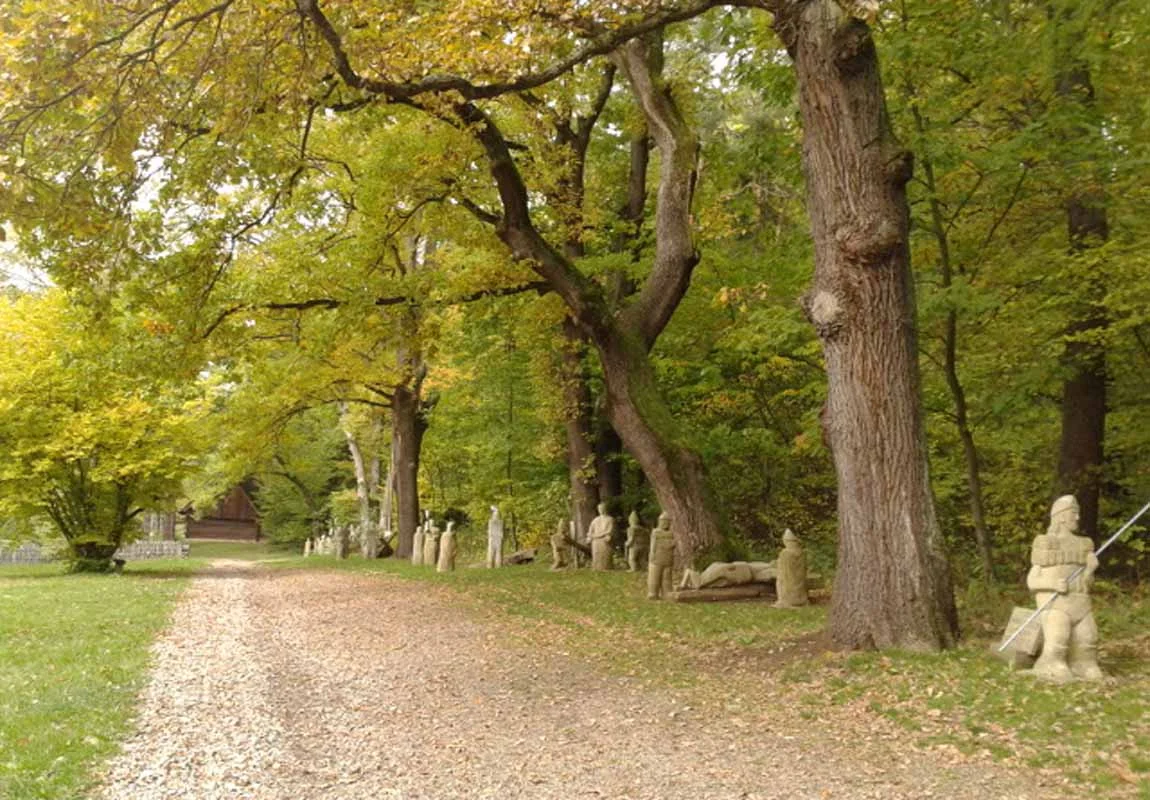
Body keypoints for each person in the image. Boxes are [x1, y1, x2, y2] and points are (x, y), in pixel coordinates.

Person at [1027, 495, 1102, 682]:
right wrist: (1052, 584)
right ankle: (1051, 663)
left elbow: (1087, 583)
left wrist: (1090, 569)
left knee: (1089, 638)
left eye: (1078, 514)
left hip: (1080, 602)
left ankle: (1083, 664)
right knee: (1058, 638)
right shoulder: (1046, 543)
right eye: (1073, 513)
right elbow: (1032, 581)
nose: (1077, 518)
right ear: (1060, 516)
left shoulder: (1084, 544)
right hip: (1056, 605)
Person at [647, 512, 675, 599]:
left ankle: (666, 592)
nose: (666, 524)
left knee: (667, 577)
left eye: (667, 522)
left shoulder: (671, 533)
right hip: (657, 558)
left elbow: (673, 544)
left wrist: (670, 543)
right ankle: (653, 592)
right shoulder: (656, 532)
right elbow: (653, 545)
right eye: (664, 521)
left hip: (668, 559)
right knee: (654, 576)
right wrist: (651, 555)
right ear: (660, 522)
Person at [586, 502, 615, 571]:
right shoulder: (595, 520)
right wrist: (590, 537)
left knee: (605, 546)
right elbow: (590, 531)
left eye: (602, 508)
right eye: (599, 508)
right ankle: (597, 567)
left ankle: (606, 566)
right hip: (595, 540)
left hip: (604, 539)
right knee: (596, 552)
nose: (601, 510)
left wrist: (604, 535)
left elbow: (610, 530)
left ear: (605, 509)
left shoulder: (610, 519)